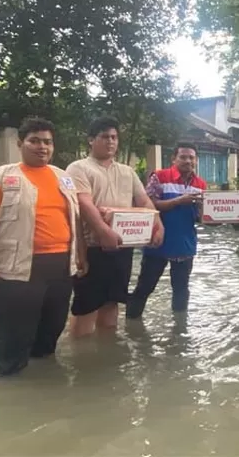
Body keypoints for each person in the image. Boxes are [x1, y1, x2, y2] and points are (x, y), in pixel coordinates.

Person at [0, 117, 85, 377]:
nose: (42, 147)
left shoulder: (63, 178)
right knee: (13, 337)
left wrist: (81, 254)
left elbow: (74, 220)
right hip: (17, 270)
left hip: (60, 267)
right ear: (20, 143)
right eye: (34, 141)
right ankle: (9, 392)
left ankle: (42, 391)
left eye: (47, 142)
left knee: (50, 332)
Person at [66, 116, 163, 337]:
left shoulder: (126, 171)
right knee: (86, 307)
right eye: (104, 137)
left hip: (123, 246)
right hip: (91, 247)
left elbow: (144, 201)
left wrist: (158, 225)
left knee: (112, 302)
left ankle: (108, 354)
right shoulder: (78, 168)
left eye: (114, 137)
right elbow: (83, 203)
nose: (111, 142)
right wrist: (103, 230)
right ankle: (81, 357)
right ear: (91, 140)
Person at [126, 144, 207, 318]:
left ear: (196, 160)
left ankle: (179, 332)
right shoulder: (160, 177)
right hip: (158, 243)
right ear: (173, 159)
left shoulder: (201, 184)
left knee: (181, 290)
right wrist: (178, 201)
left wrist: (210, 214)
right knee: (145, 287)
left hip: (185, 246)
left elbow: (202, 218)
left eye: (191, 157)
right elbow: (148, 204)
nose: (188, 161)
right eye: (183, 157)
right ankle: (131, 324)